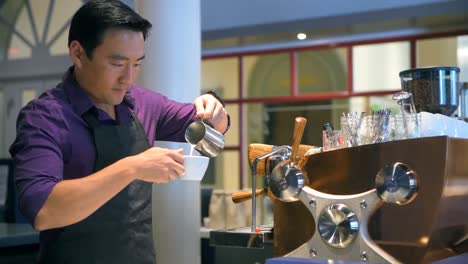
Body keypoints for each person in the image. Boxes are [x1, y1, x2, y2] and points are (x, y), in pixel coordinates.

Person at [9, 1, 229, 263]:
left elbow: (211, 126)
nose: (129, 78)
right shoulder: (44, 117)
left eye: (137, 64)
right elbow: (43, 211)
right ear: (78, 53)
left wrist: (215, 108)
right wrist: (130, 168)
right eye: (118, 64)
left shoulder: (142, 102)